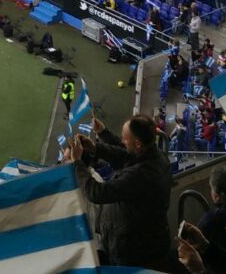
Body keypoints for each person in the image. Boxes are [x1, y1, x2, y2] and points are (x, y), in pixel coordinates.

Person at [68, 115, 176, 270]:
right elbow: (125, 154)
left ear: (138, 143)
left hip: (135, 253)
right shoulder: (154, 155)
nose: (122, 142)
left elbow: (97, 193)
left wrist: (78, 164)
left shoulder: (141, 175)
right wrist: (95, 146)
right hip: (145, 243)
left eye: (125, 138)